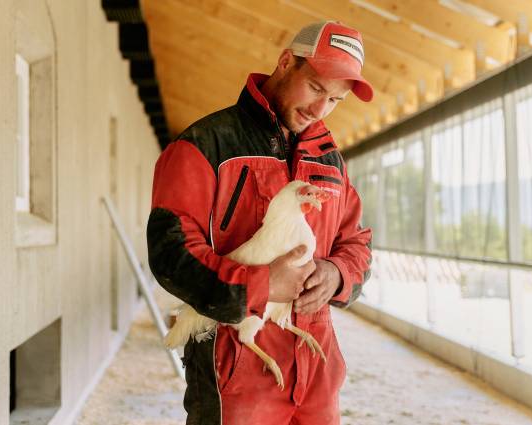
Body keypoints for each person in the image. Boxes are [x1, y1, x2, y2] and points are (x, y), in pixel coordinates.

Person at [147, 21, 373, 425]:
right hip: (235, 363)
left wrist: (336, 274)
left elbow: (356, 244)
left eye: (335, 100)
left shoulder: (330, 160)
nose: (320, 110)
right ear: (286, 62)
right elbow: (171, 253)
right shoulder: (204, 146)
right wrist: (263, 283)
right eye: (317, 89)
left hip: (315, 364)